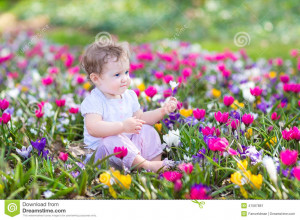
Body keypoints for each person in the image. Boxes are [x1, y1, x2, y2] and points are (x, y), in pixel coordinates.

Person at [80, 40, 178, 172]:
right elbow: (93, 128)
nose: (125, 78)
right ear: (96, 78)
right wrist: (122, 126)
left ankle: (155, 165)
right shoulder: (95, 101)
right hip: (103, 157)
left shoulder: (129, 96)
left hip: (129, 150)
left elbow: (141, 118)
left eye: (126, 72)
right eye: (117, 75)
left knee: (147, 130)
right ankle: (146, 166)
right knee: (110, 140)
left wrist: (162, 110)